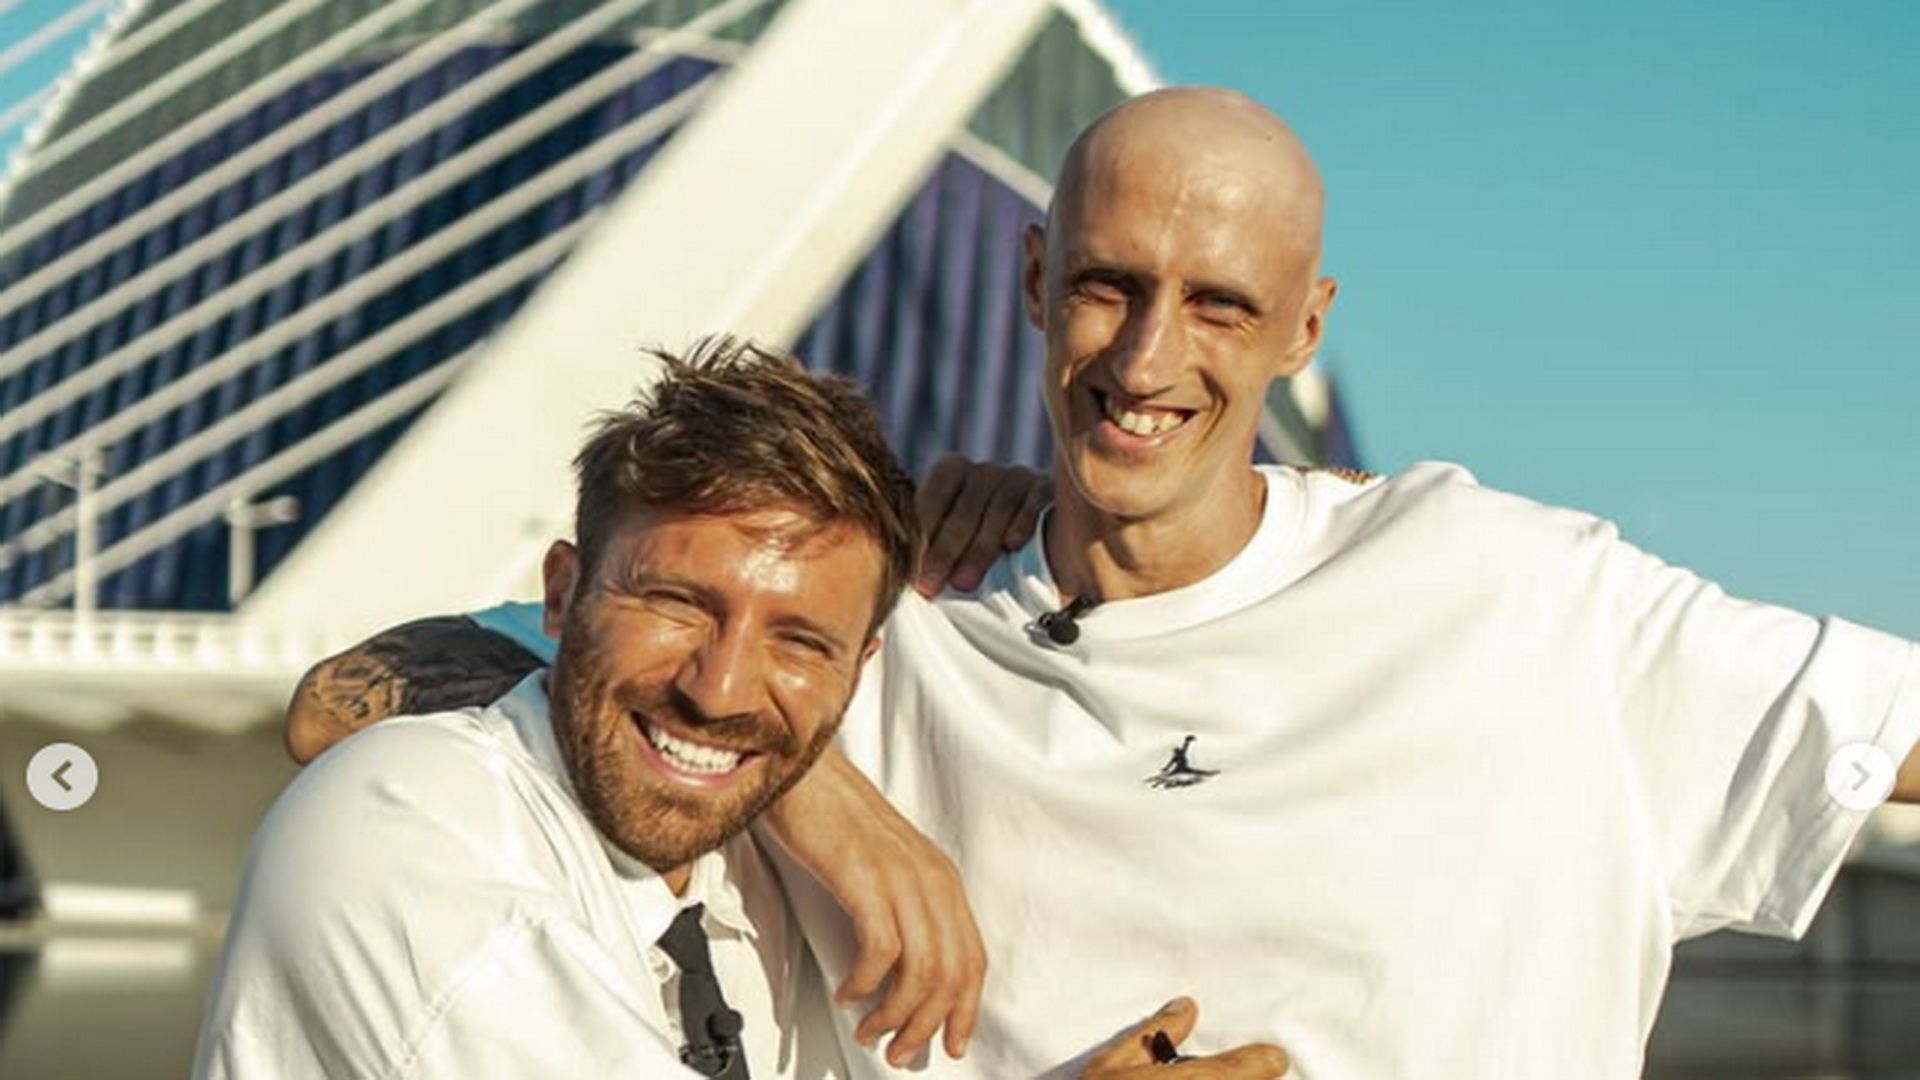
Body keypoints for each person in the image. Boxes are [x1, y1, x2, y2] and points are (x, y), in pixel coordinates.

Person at [287, 88, 1920, 1079]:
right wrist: (818, 790)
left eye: (1219, 306)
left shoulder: (1515, 595)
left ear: (1307, 328)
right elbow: (339, 703)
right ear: (1029, 278)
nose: (1145, 360)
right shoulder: (879, 619)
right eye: (1107, 287)